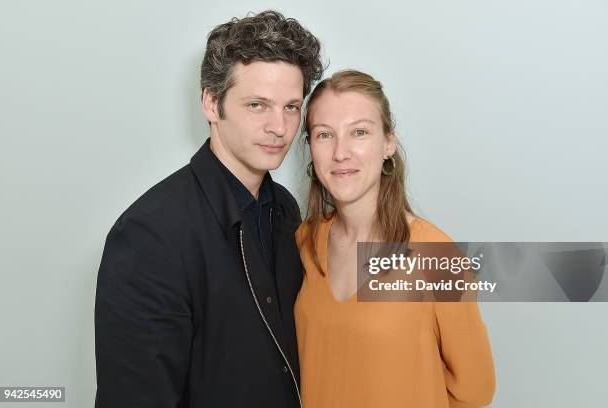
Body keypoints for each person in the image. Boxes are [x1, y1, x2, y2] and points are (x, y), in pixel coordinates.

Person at [94, 11, 322, 408]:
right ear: (211, 104)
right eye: (257, 105)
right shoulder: (149, 235)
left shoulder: (285, 210)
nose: (280, 127)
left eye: (291, 107)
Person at [295, 70, 495, 407]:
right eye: (324, 134)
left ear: (388, 143)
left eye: (359, 132)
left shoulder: (436, 255)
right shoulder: (303, 240)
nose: (341, 152)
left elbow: (475, 389)